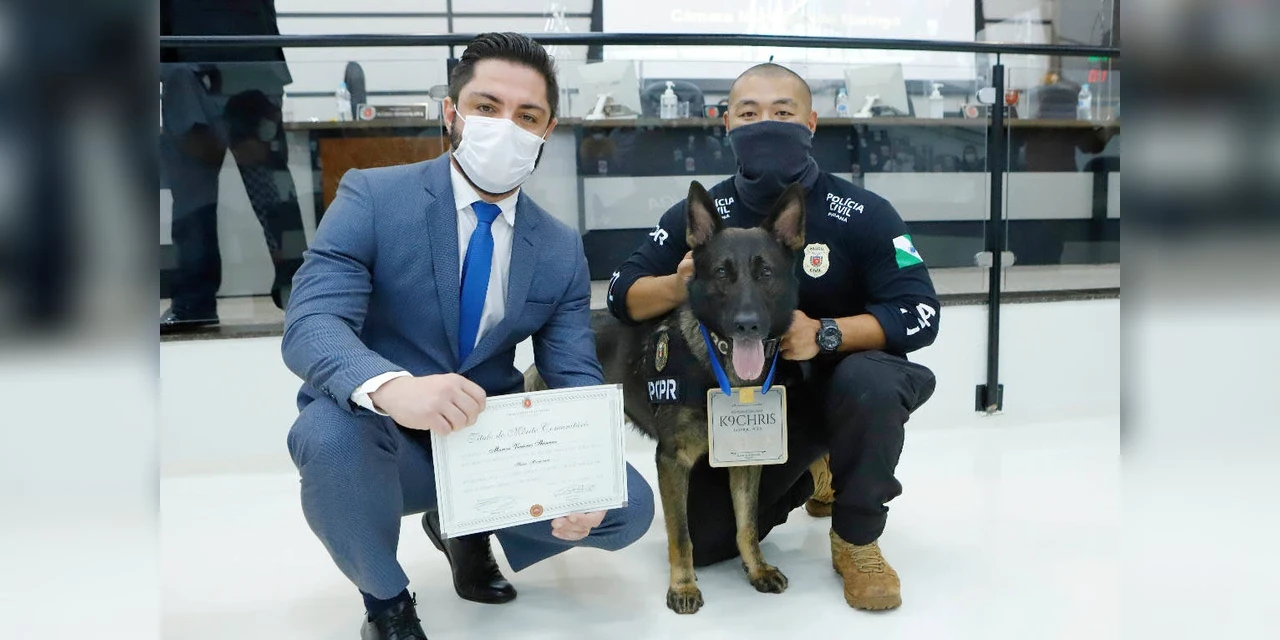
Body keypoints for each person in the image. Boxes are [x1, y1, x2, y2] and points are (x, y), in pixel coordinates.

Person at [283, 33, 654, 640]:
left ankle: (464, 524)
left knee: (627, 509)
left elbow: (574, 375)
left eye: (527, 116)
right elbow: (312, 322)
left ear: (547, 130)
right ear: (452, 112)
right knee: (327, 436)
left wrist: (586, 468)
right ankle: (387, 601)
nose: (506, 127)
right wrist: (392, 387)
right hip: (384, 433)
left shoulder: (558, 246)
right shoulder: (372, 196)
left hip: (488, 440)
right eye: (487, 107)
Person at [607, 62, 939, 611]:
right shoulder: (705, 212)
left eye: (782, 113)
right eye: (749, 113)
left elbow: (921, 313)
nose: (765, 124)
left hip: (840, 391)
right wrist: (678, 281)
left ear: (811, 123)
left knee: (870, 384)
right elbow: (622, 292)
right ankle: (813, 473)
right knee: (708, 541)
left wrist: (826, 334)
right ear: (726, 124)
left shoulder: (865, 213)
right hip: (752, 406)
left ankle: (857, 538)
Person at [160, 0, 306, 332]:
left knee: (269, 191)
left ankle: (301, 292)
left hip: (241, 65)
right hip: (193, 69)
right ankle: (193, 302)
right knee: (196, 197)